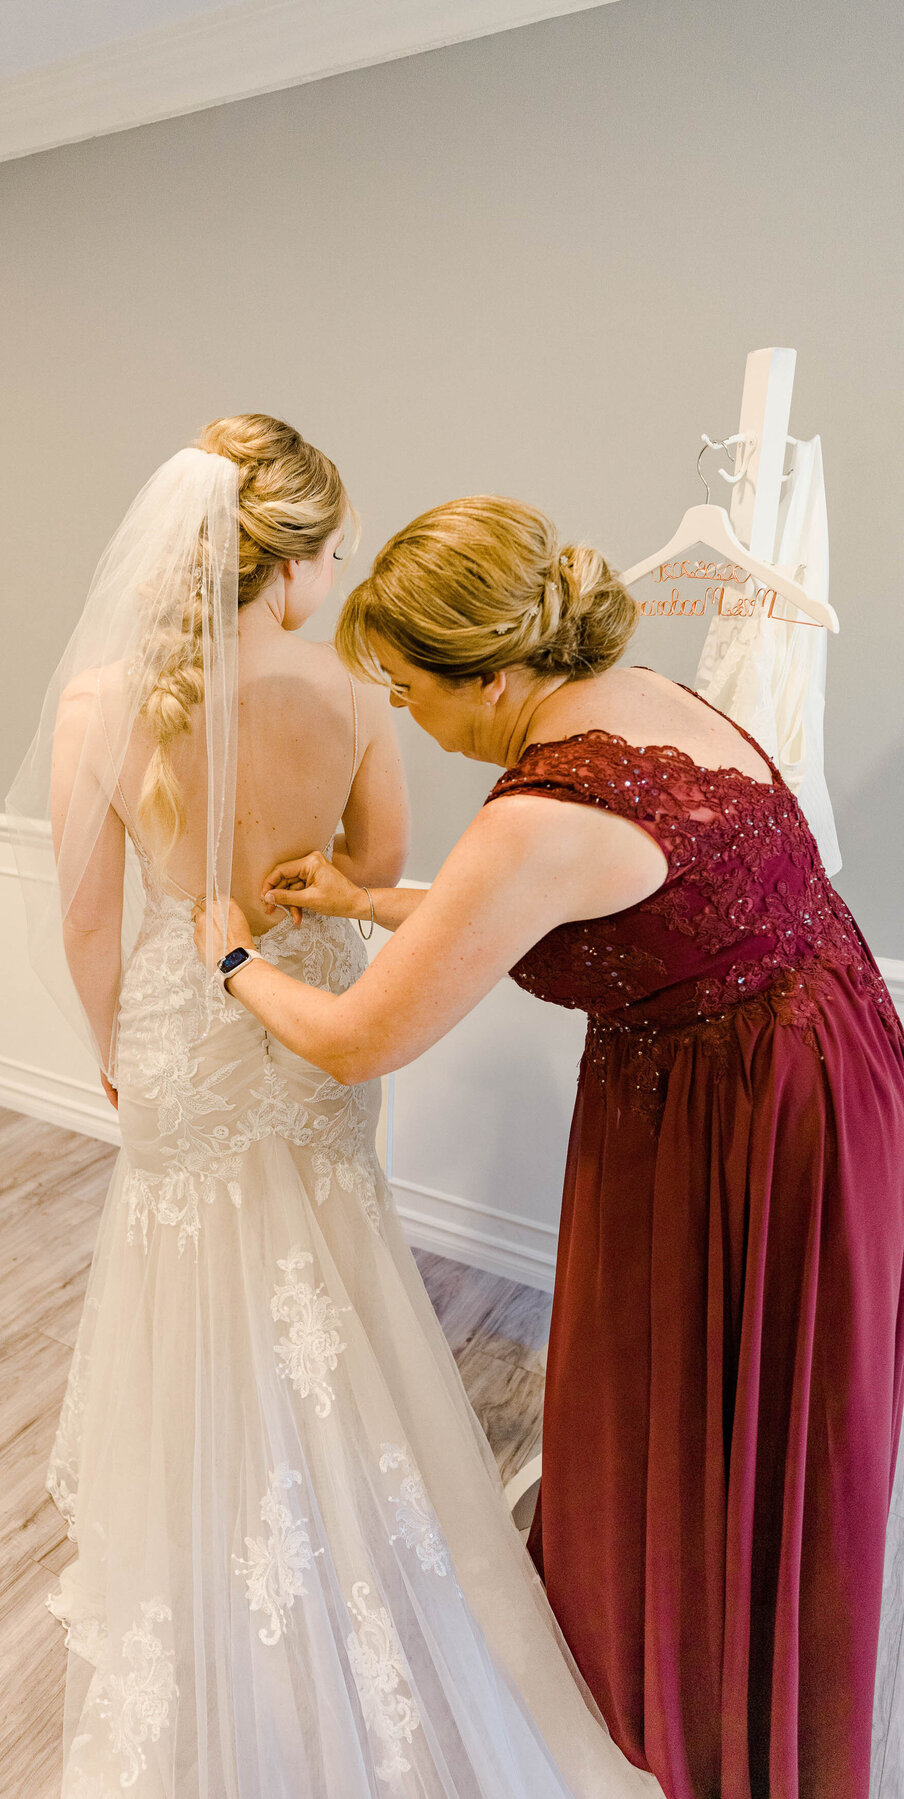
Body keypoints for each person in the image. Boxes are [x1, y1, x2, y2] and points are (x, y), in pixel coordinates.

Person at [197, 494, 904, 1799]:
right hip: (808, 1057)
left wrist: (233, 961)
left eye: (413, 692)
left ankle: (711, 1688)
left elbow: (358, 1039)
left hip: (745, 1107)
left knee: (723, 1393)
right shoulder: (647, 699)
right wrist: (364, 895)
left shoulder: (543, 811)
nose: (405, 717)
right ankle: (673, 1616)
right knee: (714, 1384)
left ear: (502, 670)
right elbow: (567, 905)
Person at [7, 425, 663, 1799]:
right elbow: (375, 866)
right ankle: (347, 1489)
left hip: (185, 1009)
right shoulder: (354, 693)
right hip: (308, 1008)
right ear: (292, 564)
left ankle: (205, 1506)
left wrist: (114, 1044)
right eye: (332, 551)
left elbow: (86, 920)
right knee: (325, 1238)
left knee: (192, 1253)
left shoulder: (97, 703)